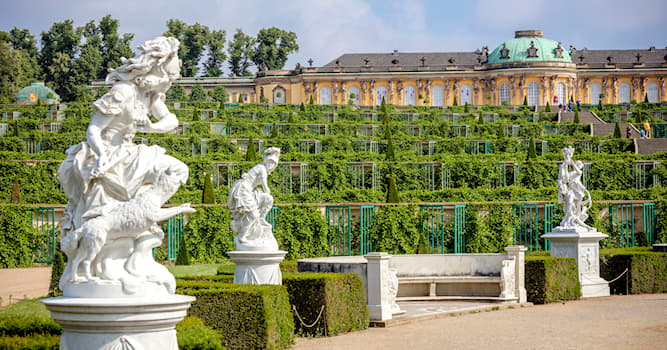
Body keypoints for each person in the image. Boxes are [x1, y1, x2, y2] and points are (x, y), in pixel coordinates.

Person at [228, 147, 281, 244]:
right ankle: (242, 236)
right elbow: (265, 186)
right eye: (272, 164)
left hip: (249, 191)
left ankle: (261, 218)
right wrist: (267, 191)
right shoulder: (261, 168)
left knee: (268, 199)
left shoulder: (261, 168)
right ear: (268, 162)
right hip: (243, 190)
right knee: (253, 214)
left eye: (274, 165)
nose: (272, 167)